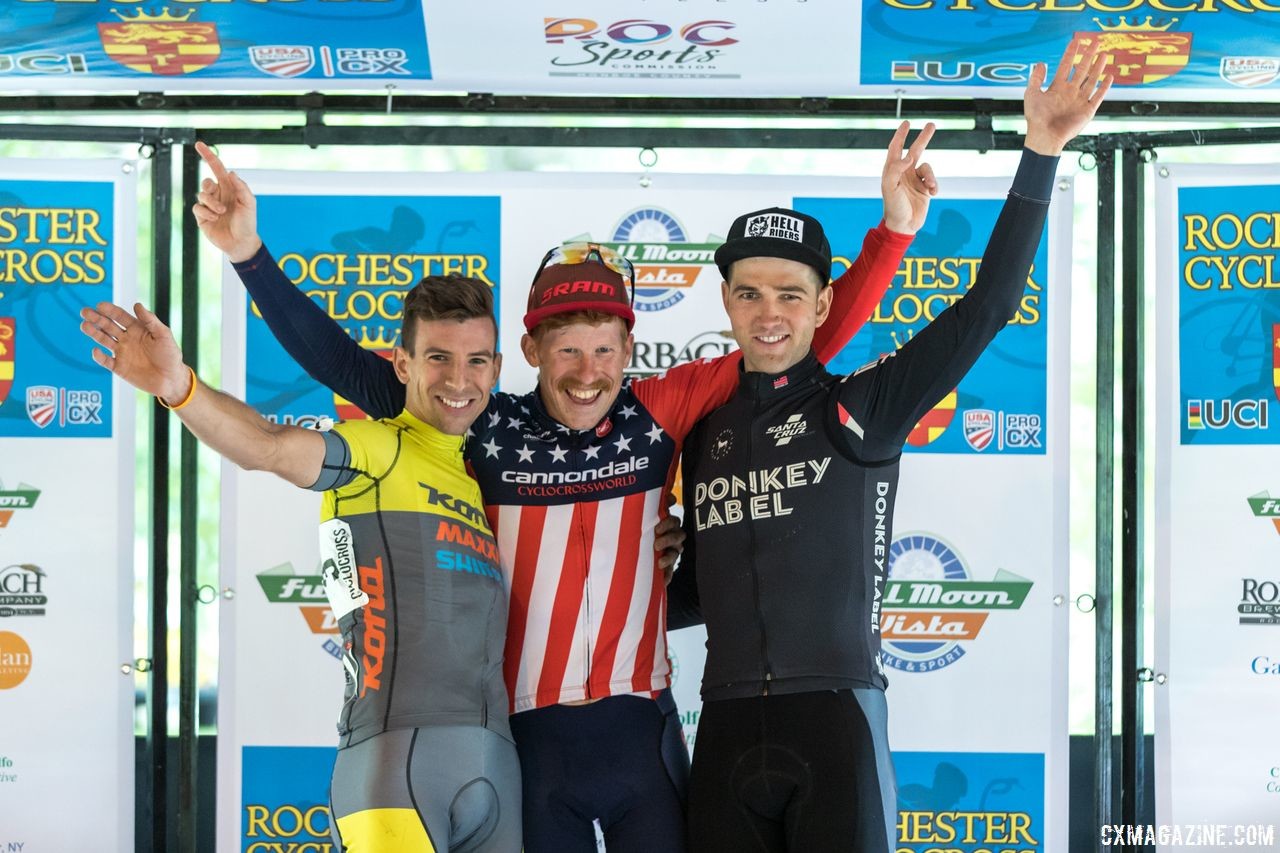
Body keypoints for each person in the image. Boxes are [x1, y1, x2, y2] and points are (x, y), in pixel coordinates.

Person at [190, 125, 936, 852]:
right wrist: (250, 256)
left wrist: (891, 237)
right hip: (529, 736)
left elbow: (800, 345)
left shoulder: (658, 411)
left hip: (642, 731)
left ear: (630, 350)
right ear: (530, 350)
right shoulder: (483, 421)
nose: (587, 372)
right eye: (567, 350)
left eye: (605, 349)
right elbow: (351, 370)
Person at [667, 42, 1112, 853]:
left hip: (836, 719)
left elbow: (989, 307)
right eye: (751, 293)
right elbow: (696, 592)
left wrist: (1041, 152)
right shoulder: (707, 433)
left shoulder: (862, 405)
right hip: (725, 725)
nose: (770, 314)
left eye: (791, 295)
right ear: (726, 300)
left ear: (823, 302)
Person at [79, 277, 522, 852]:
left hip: (497, 762)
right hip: (395, 764)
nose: (459, 380)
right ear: (403, 364)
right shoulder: (377, 450)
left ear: (497, 367)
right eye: (438, 358)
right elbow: (268, 444)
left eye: (476, 361)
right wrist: (180, 388)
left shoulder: (480, 482)